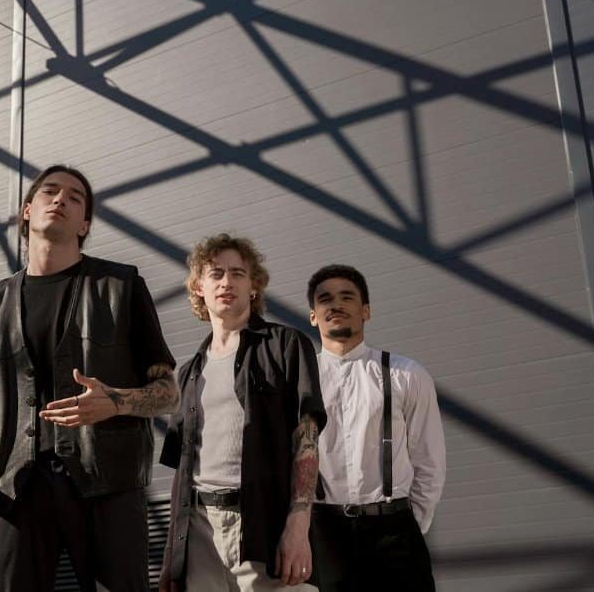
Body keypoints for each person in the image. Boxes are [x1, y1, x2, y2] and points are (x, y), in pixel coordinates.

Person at [0, 165, 179, 592]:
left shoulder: (121, 285)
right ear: (26, 211)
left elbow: (168, 392)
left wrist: (114, 402)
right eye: (50, 191)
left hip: (107, 484)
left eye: (75, 197)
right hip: (16, 488)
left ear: (85, 224)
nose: (60, 199)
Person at [158, 234, 325, 591]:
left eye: (238, 273)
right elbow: (183, 469)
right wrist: (172, 555)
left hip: (262, 524)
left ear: (254, 286)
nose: (226, 282)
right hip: (198, 530)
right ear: (199, 287)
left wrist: (299, 526)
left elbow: (307, 438)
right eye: (216, 274)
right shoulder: (187, 373)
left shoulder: (286, 346)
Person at [306, 264, 445, 592]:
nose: (336, 305)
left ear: (365, 310)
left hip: (394, 532)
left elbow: (429, 460)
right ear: (313, 316)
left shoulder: (406, 375)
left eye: (347, 297)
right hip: (324, 533)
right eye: (325, 299)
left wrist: (409, 524)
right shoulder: (299, 380)